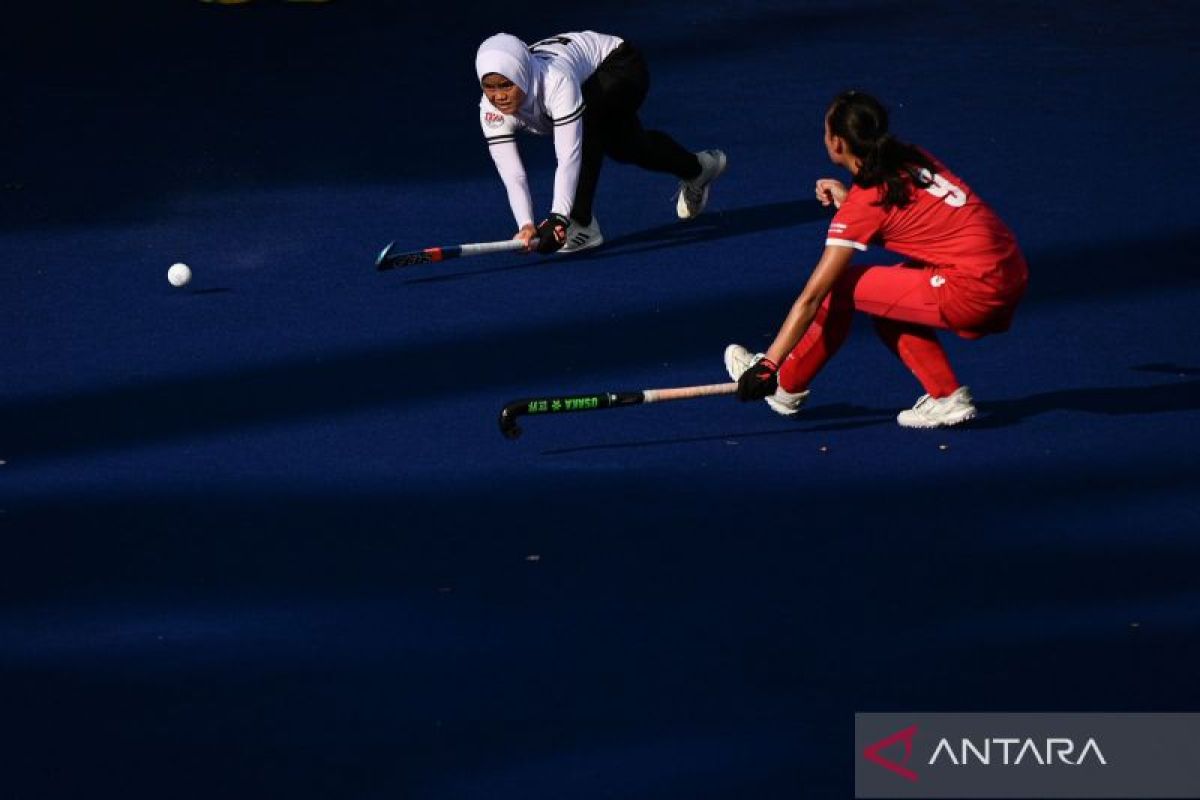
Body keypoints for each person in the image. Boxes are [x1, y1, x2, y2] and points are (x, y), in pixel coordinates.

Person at [725, 90, 1028, 428]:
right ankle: (946, 397)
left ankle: (785, 384)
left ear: (838, 143)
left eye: (825, 131)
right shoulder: (911, 157)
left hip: (974, 288)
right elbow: (908, 216)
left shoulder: (864, 205)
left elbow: (812, 297)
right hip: (1010, 270)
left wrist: (769, 363)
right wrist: (850, 200)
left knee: (840, 287)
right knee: (887, 301)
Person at [475, 31, 726, 255]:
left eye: (506, 85)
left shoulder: (555, 83)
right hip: (588, 83)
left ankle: (582, 224)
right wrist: (526, 225)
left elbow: (569, 155)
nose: (499, 96)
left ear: (522, 74)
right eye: (489, 87)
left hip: (621, 66)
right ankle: (698, 168)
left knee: (588, 125)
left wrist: (559, 218)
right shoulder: (490, 110)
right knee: (627, 147)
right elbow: (513, 174)